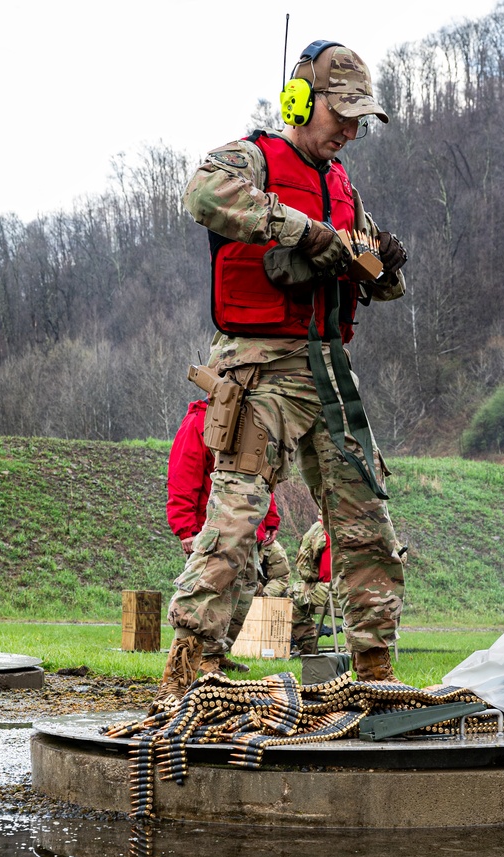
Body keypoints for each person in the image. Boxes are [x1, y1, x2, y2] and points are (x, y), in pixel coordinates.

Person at [158, 41, 408, 699]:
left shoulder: (344, 186)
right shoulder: (253, 158)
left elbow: (382, 288)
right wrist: (298, 230)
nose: (351, 130)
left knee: (366, 523)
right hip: (259, 370)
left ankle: (376, 671)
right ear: (302, 101)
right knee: (234, 522)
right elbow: (203, 193)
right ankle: (189, 668)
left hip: (330, 370)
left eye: (359, 118)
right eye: (342, 114)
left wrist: (383, 261)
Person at [167, 397, 286, 672]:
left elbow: (260, 477)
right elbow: (182, 477)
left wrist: (269, 520)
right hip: (216, 526)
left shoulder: (249, 421)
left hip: (246, 528)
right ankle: (203, 656)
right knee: (214, 588)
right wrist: (186, 528)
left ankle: (217, 652)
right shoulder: (199, 421)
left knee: (243, 591)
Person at [290, 515, 337, 656]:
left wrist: (317, 577)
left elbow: (304, 568)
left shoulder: (321, 528)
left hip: (338, 592)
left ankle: (309, 650)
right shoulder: (373, 520)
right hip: (375, 597)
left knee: (294, 595)